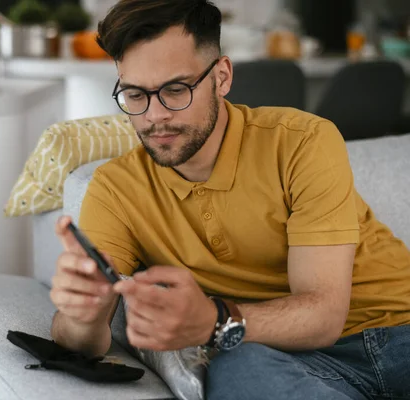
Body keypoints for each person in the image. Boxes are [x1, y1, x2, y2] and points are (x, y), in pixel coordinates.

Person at [49, 0, 410, 399]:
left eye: (175, 90)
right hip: (286, 360)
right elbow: (84, 340)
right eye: (135, 94)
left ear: (221, 77)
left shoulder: (301, 141)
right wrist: (82, 315)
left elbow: (324, 316)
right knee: (236, 368)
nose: (154, 116)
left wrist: (214, 320)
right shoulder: (116, 190)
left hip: (399, 333)